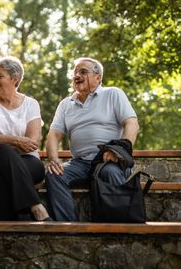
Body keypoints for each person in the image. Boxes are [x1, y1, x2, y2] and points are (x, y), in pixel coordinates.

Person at [45, 57, 139, 221]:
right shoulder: (66, 104)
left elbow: (132, 123)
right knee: (54, 174)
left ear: (98, 77)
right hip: (80, 163)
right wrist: (53, 159)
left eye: (83, 72)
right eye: (75, 72)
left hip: (108, 160)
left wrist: (121, 149)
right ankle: (68, 228)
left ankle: (120, 227)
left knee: (110, 171)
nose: (77, 76)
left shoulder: (113, 94)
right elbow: (54, 134)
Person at [0, 56, 50, 221]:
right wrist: (16, 141)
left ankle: (7, 232)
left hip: (29, 162)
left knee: (3, 174)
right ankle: (35, 206)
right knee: (4, 151)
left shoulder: (31, 104)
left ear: (14, 79)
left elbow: (31, 143)